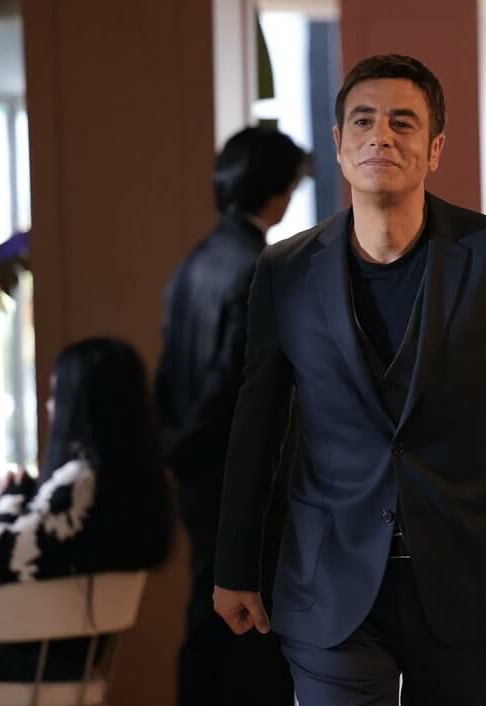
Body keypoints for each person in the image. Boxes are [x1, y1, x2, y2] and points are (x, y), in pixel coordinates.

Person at [211, 54, 486, 706]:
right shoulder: (286, 270)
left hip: (462, 582)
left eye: (402, 122)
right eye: (363, 121)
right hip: (328, 586)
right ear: (339, 144)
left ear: (435, 147)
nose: (380, 137)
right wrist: (234, 565)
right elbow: (257, 426)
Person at [155, 126, 307, 706]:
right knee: (252, 635)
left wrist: (177, 449)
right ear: (277, 193)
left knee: (206, 621)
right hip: (241, 478)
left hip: (195, 474)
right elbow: (240, 390)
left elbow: (167, 377)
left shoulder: (193, 263)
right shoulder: (260, 268)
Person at [0, 337, 173, 681]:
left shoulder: (80, 483)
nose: (49, 406)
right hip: (72, 666)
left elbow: (3, 556)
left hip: (35, 668)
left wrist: (10, 495)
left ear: (79, 403)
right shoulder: (132, 481)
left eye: (56, 394)